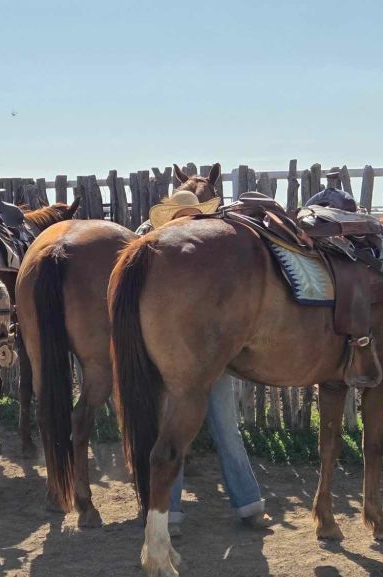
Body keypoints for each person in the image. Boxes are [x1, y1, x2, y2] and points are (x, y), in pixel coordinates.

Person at [137, 190, 271, 536]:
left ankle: (183, 512)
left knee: (193, 429)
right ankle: (240, 506)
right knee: (208, 430)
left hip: (195, 358)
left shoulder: (169, 248)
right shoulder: (168, 247)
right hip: (196, 359)